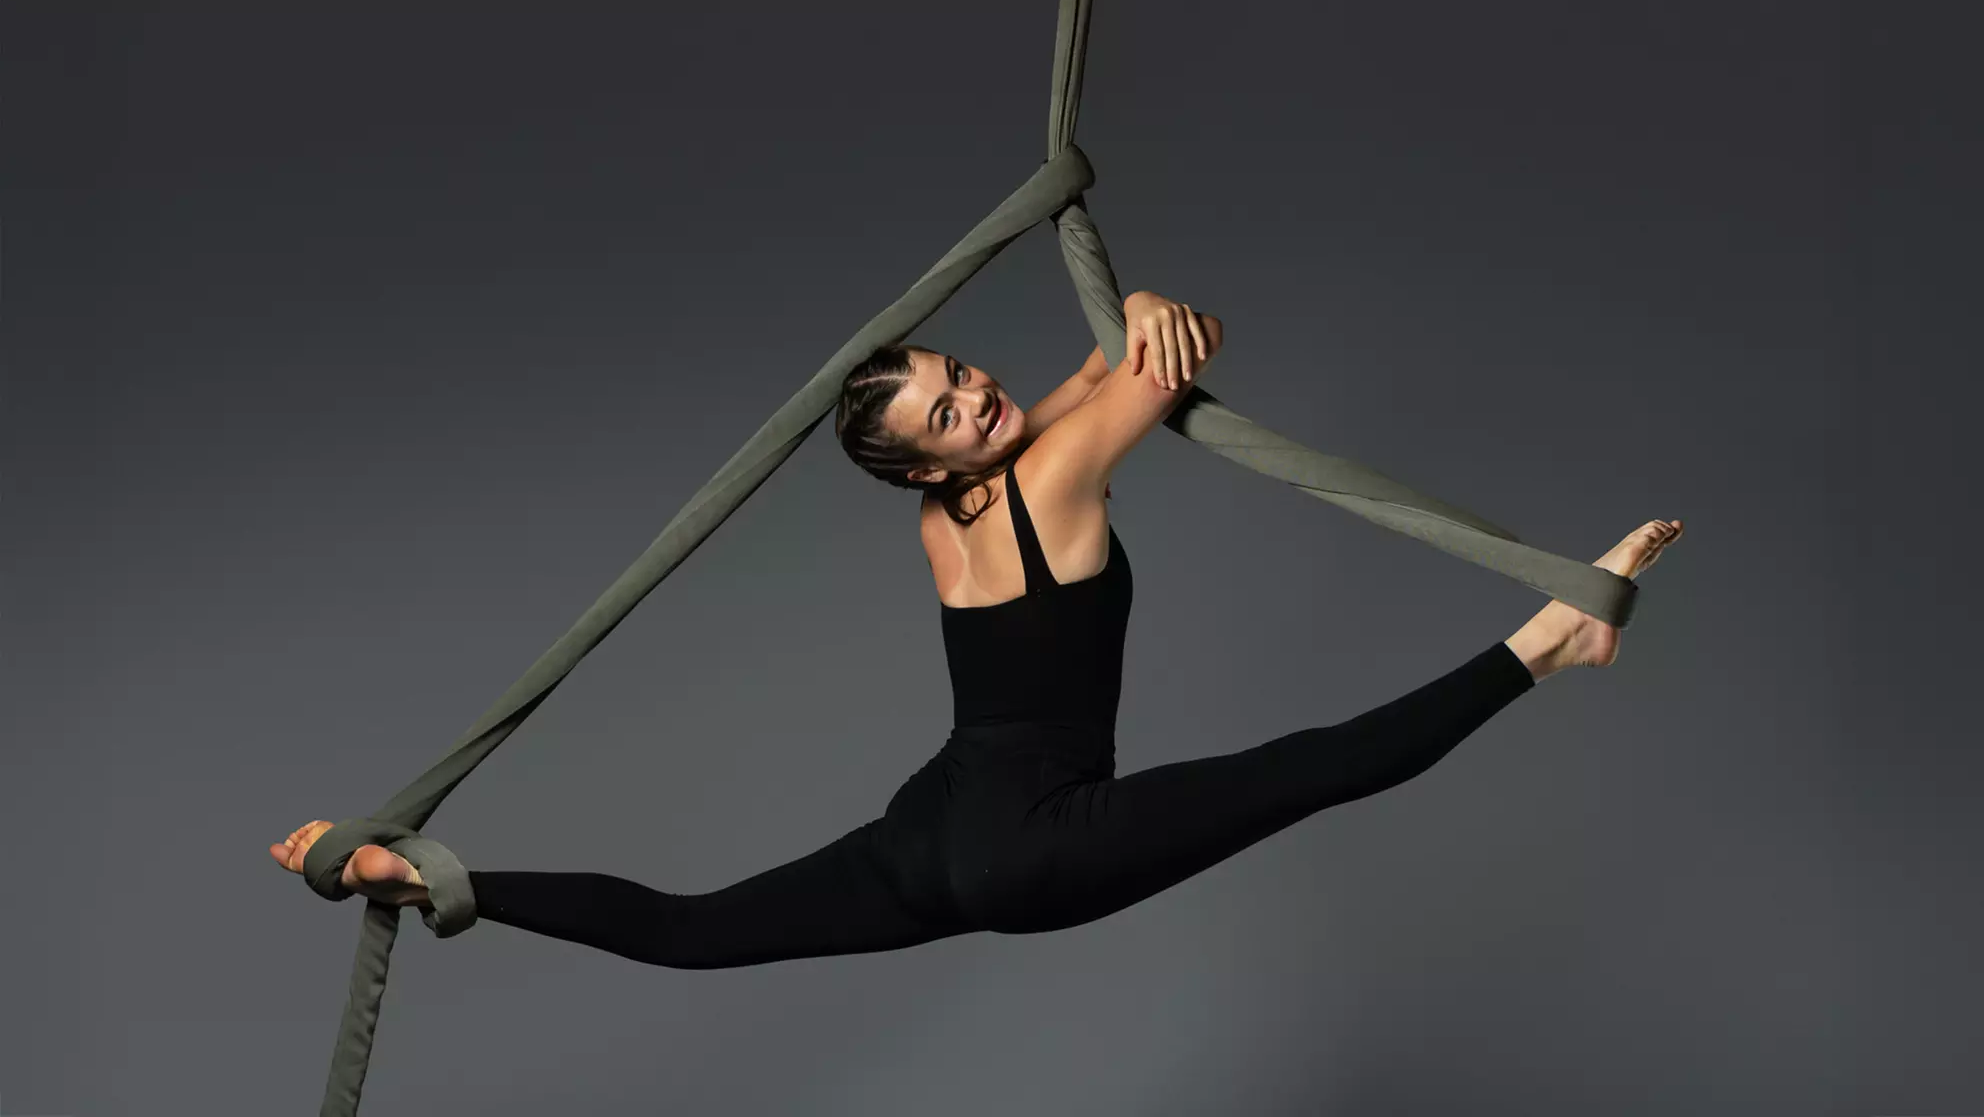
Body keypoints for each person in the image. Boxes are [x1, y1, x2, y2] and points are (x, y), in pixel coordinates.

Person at [272, 290, 1684, 967]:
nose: (976, 401)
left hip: (933, 827)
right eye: (944, 415)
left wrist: (1109, 331)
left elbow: (1075, 389)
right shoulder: (1050, 475)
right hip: (1028, 835)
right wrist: (1141, 310)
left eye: (960, 375)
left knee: (698, 931)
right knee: (1309, 768)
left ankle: (435, 881)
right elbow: (1147, 367)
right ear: (924, 466)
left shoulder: (950, 510)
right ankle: (1553, 640)